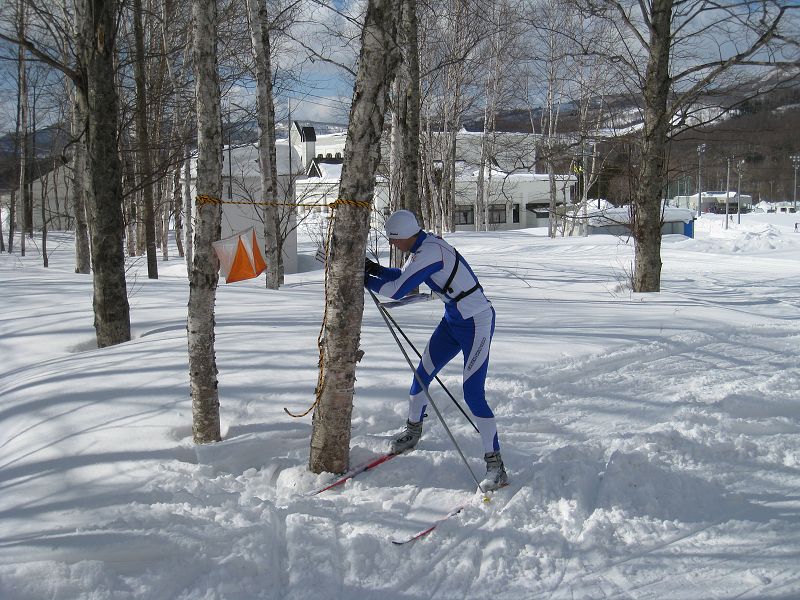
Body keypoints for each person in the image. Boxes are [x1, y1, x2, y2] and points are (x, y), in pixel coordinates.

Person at [364, 209, 507, 491]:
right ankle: (413, 432)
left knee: (473, 394)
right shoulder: (422, 247)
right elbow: (402, 276)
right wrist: (371, 268)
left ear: (404, 236)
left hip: (476, 321)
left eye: (394, 241)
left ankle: (496, 466)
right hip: (453, 320)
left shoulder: (429, 252)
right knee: (421, 376)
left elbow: (397, 290)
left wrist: (364, 276)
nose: (393, 245)